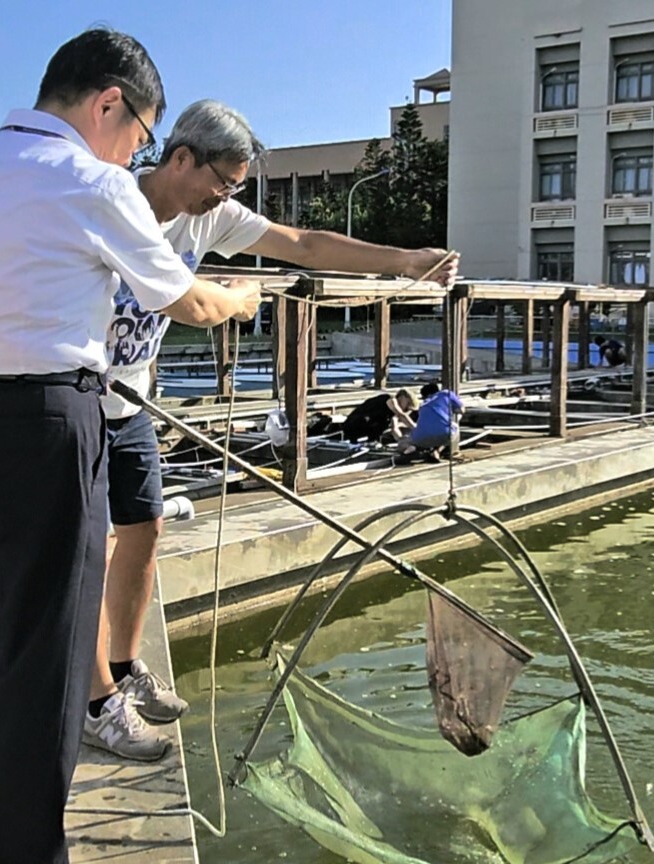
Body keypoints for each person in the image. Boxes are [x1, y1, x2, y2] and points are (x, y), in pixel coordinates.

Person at [0, 31, 260, 864]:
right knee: (46, 663)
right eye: (141, 137)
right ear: (108, 104)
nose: (138, 155)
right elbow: (184, 297)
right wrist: (239, 297)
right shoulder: (93, 183)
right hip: (47, 424)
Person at [87, 99, 460, 759]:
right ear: (179, 157)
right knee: (91, 554)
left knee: (143, 530)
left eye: (235, 187)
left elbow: (302, 244)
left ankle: (123, 666)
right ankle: (97, 704)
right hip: (78, 400)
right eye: (221, 181)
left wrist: (405, 261)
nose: (224, 197)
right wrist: (232, 300)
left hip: (131, 403)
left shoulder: (211, 218)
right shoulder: (109, 199)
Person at [398, 381, 465, 462]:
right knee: (454, 428)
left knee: (403, 443)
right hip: (445, 433)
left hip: (421, 437)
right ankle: (438, 451)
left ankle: (414, 448)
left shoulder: (423, 405)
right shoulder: (446, 394)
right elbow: (462, 410)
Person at [339, 389, 417, 444]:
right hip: (355, 424)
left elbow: (394, 429)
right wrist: (417, 428)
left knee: (383, 424)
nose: (407, 410)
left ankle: (372, 442)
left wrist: (401, 440)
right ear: (402, 397)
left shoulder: (392, 414)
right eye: (408, 405)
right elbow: (401, 415)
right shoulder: (390, 400)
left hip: (368, 431)